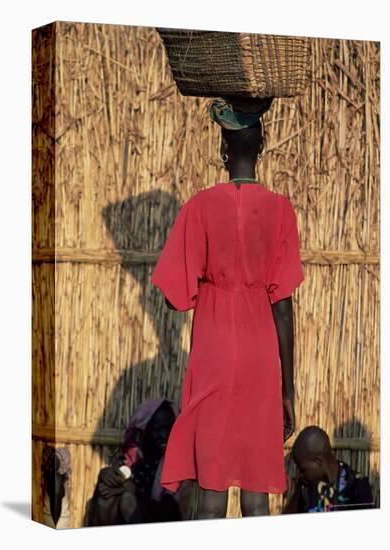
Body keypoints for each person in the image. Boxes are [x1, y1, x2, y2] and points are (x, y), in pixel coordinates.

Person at [150, 96, 305, 519]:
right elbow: (284, 305)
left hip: (214, 348)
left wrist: (209, 280)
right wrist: (287, 388)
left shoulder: (199, 207)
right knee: (256, 492)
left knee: (212, 491)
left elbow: (172, 296)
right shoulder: (280, 211)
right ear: (262, 145)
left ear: (223, 151)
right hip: (260, 349)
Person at [85, 398, 196, 525]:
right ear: (141, 434)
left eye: (169, 429)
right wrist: (106, 477)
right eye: (157, 429)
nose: (164, 435)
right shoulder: (130, 461)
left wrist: (132, 491)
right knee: (107, 493)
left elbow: (171, 514)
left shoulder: (179, 468)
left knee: (127, 500)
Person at [283, 426, 375, 513]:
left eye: (303, 470)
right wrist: (298, 491)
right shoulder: (306, 487)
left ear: (318, 461)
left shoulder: (357, 485)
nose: (300, 474)